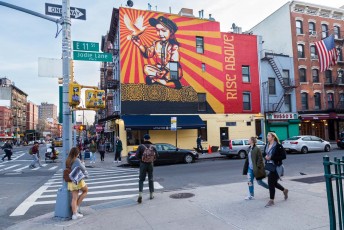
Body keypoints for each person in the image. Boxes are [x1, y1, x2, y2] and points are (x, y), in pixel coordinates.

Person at [131, 16, 183, 89]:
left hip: (171, 70)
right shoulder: (156, 43)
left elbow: (174, 61)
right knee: (146, 68)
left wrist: (165, 71)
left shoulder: (174, 46)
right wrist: (139, 45)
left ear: (171, 32)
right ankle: (161, 81)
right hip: (160, 70)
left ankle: (158, 80)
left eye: (163, 30)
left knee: (173, 72)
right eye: (158, 30)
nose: (160, 34)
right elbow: (148, 53)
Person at [263, 132, 288, 207]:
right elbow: (264, 153)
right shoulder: (267, 145)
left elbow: (284, 156)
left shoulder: (278, 146)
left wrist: (272, 157)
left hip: (276, 167)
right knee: (273, 183)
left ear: (273, 137)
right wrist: (265, 157)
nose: (267, 137)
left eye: (268, 136)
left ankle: (271, 200)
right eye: (267, 136)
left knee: (270, 182)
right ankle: (284, 190)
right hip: (269, 166)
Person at [66, 147, 88, 220]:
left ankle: (74, 214)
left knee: (74, 198)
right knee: (85, 191)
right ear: (76, 153)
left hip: (71, 180)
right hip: (77, 179)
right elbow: (83, 168)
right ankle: (77, 207)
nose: (78, 154)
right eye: (78, 153)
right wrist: (83, 163)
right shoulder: (77, 160)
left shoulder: (68, 160)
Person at [135, 134, 158, 203]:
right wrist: (151, 159)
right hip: (150, 164)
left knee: (141, 180)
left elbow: (136, 156)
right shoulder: (153, 146)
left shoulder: (141, 146)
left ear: (144, 139)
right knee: (150, 179)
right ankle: (151, 194)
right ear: (149, 139)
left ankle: (140, 195)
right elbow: (157, 155)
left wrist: (142, 159)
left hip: (143, 164)